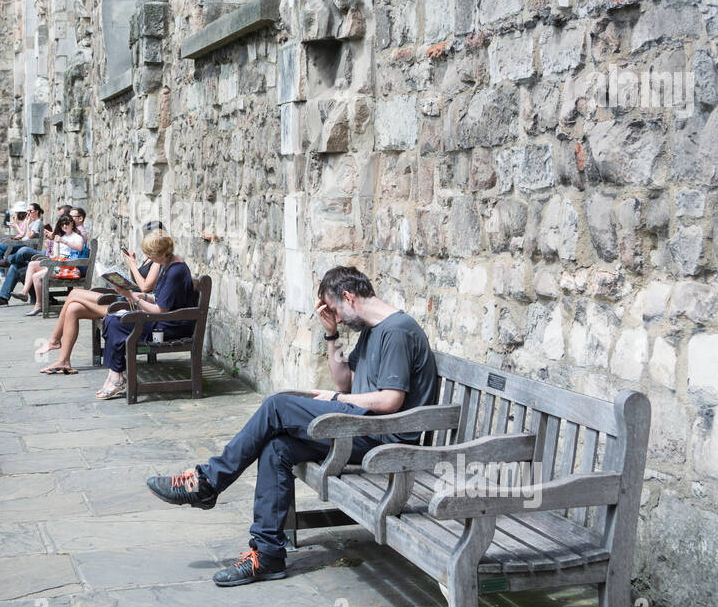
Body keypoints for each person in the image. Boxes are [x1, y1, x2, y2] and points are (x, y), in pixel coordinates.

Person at [144, 265, 438, 587]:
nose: (336, 317)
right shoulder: (372, 329)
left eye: (335, 310)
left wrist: (338, 399)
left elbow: (391, 401)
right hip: (362, 430)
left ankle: (208, 481)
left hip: (385, 442)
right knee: (277, 448)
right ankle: (267, 554)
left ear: (349, 297)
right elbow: (347, 380)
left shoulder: (396, 330)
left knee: (278, 405)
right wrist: (331, 335)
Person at [37, 223, 166, 375]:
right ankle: (63, 361)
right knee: (73, 308)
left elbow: (145, 288)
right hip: (128, 298)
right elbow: (137, 284)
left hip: (134, 305)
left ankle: (54, 340)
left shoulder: (158, 261)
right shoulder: (149, 259)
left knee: (74, 294)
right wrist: (131, 269)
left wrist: (132, 266)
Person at [95, 230, 196, 400]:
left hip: (171, 326)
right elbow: (161, 298)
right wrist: (143, 296)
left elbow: (160, 310)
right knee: (112, 319)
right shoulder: (168, 264)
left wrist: (131, 297)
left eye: (151, 255)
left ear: (162, 253)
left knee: (115, 323)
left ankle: (116, 377)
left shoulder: (174, 271)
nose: (149, 259)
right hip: (165, 320)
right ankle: (115, 375)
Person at [22, 214, 86, 316]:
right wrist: (49, 247)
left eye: (67, 223)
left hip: (68, 267)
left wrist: (63, 241)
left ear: (72, 223)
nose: (64, 226)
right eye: (62, 224)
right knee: (32, 264)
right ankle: (24, 292)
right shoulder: (62, 236)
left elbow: (79, 248)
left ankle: (39, 305)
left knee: (36, 276)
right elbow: (53, 255)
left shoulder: (77, 237)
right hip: (58, 263)